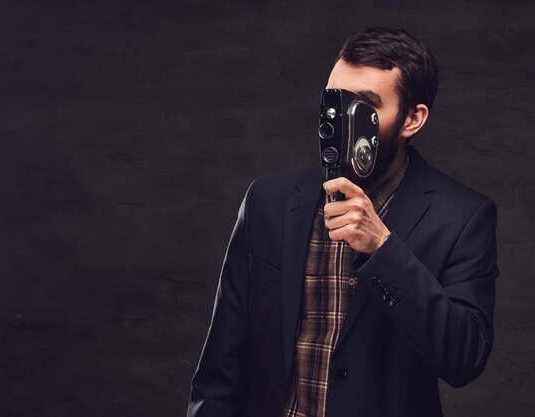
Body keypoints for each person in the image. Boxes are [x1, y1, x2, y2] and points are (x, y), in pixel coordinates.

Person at [186, 26, 498, 417]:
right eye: (336, 100)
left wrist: (383, 249)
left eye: (365, 107)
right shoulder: (269, 201)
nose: (344, 121)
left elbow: (464, 358)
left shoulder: (463, 217)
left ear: (412, 119)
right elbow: (221, 365)